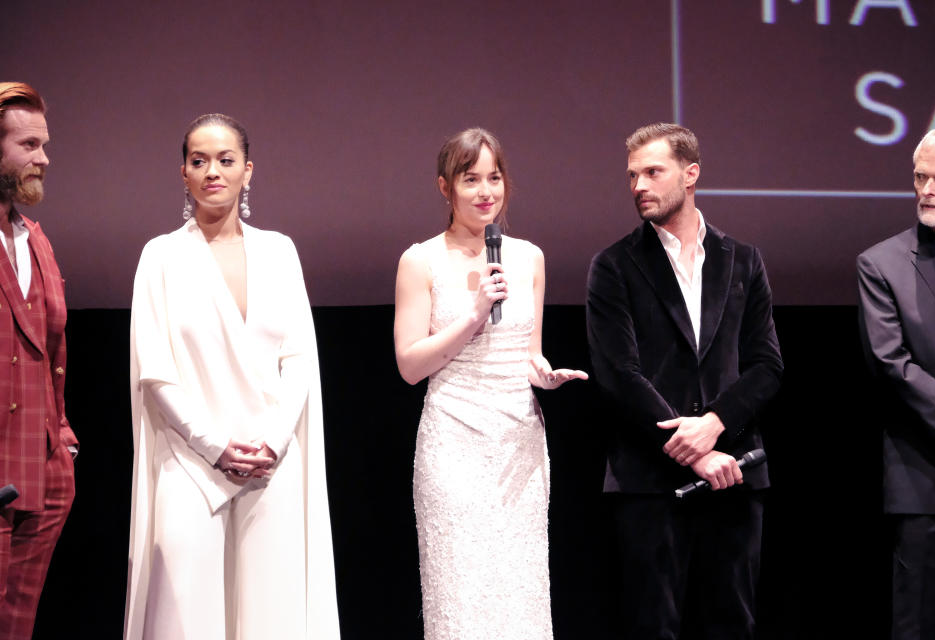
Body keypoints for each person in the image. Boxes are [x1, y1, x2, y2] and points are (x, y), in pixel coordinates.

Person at [124, 114, 340, 640]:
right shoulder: (161, 257)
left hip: (270, 460)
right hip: (190, 462)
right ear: (184, 173)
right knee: (185, 614)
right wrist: (214, 443)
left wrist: (272, 440)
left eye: (225, 160)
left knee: (272, 614)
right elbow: (157, 372)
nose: (212, 172)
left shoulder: (278, 250)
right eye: (199, 161)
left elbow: (298, 358)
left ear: (248, 170)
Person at [586, 123, 783, 639]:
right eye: (632, 175)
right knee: (653, 628)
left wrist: (714, 424)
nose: (638, 186)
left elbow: (766, 365)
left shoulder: (743, 259)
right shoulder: (613, 266)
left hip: (734, 473)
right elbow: (618, 375)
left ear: (691, 174)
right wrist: (693, 449)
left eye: (653, 172)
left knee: (732, 626)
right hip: (650, 481)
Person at [393, 127, 587, 640]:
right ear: (445, 188)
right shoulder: (421, 260)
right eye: (470, 179)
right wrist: (474, 315)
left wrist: (544, 375)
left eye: (494, 178)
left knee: (519, 591)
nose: (485, 192)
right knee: (460, 591)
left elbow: (527, 352)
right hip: (453, 443)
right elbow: (410, 366)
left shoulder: (529, 257)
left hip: (519, 445)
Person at [857, 124, 935, 640]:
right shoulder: (882, 264)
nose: (927, 191)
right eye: (920, 177)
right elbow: (890, 363)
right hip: (929, 483)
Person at [0, 81, 77, 640]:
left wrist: (63, 439)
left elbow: (51, 349)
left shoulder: (35, 239)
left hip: (42, 475)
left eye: (44, 144)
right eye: (28, 145)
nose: (44, 159)